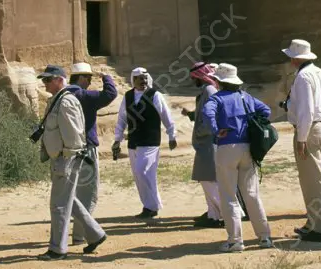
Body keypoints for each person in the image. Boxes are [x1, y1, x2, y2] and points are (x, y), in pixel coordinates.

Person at [35, 64, 107, 260]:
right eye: (44, 80)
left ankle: (57, 249)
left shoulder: (66, 102)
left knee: (58, 205)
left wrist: (66, 159)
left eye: (48, 80)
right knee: (68, 201)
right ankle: (95, 234)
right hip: (59, 158)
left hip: (65, 160)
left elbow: (75, 135)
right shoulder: (57, 100)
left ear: (60, 79)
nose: (45, 84)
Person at [201, 63, 274, 252]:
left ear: (218, 81)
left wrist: (217, 130)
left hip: (227, 147)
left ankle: (235, 240)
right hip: (248, 148)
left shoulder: (217, 99)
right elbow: (266, 111)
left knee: (228, 194)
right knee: (251, 194)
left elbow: (207, 113)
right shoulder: (246, 97)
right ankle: (264, 237)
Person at [281, 39, 321, 243]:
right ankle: (314, 223)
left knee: (313, 182)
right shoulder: (320, 73)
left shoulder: (303, 77)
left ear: (296, 58)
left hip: (309, 129)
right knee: (316, 178)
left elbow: (306, 111)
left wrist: (302, 137)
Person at [112, 67, 177, 218]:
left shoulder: (155, 95)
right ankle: (148, 206)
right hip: (133, 142)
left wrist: (171, 135)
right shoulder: (127, 96)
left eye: (145, 79)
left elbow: (166, 116)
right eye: (140, 79)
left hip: (150, 141)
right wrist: (117, 139)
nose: (144, 82)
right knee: (138, 175)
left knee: (144, 172)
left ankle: (153, 206)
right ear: (133, 80)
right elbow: (122, 119)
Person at [64, 62, 118, 244]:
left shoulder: (63, 95)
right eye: (88, 78)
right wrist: (106, 77)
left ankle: (65, 233)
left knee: (70, 193)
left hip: (67, 152)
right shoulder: (83, 96)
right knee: (87, 194)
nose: (89, 82)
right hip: (86, 150)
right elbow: (110, 94)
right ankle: (80, 235)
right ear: (80, 78)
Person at [181, 61, 224, 228]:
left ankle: (224, 215)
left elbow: (212, 117)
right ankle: (213, 216)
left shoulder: (209, 90)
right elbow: (203, 114)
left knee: (210, 181)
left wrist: (200, 132)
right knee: (206, 180)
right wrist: (192, 115)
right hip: (204, 143)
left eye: (194, 77)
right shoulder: (206, 90)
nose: (193, 81)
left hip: (208, 142)